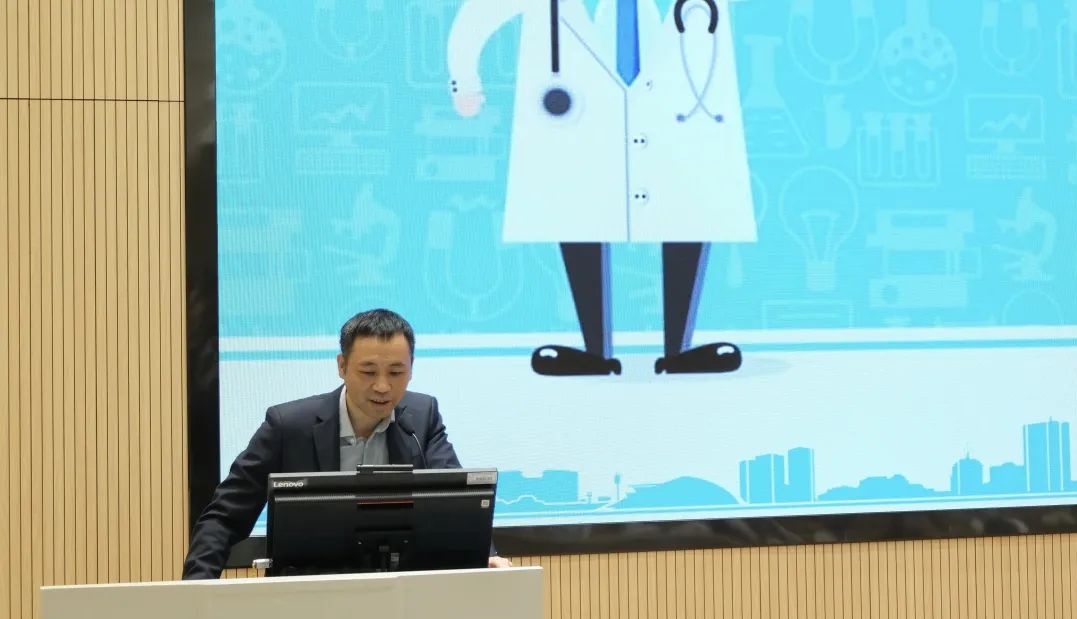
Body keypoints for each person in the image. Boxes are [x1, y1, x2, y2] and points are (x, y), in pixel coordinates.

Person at [448, 0, 755, 376]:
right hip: (580, 123)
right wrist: (464, 79)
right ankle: (594, 351)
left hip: (678, 122)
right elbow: (482, 11)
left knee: (684, 213)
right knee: (580, 213)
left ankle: (680, 350)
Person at [182, 308, 511, 579]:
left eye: (396, 372)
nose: (382, 386)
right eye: (368, 372)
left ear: (411, 369)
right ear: (342, 366)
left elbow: (457, 503)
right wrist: (197, 588)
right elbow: (224, 517)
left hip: (402, 596)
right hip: (308, 597)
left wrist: (488, 556)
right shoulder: (289, 426)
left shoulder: (422, 418)